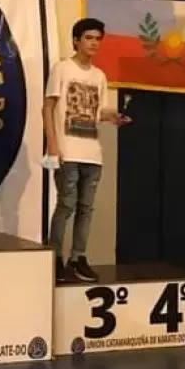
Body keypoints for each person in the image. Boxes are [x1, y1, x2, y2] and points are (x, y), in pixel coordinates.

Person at [43, 18, 130, 283]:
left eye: (97, 39)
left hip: (92, 152)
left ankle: (78, 257)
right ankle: (55, 257)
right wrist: (53, 145)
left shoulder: (99, 76)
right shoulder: (62, 69)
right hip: (67, 150)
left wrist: (113, 117)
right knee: (66, 205)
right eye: (89, 38)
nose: (94, 43)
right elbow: (48, 107)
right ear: (76, 40)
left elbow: (96, 112)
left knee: (86, 208)